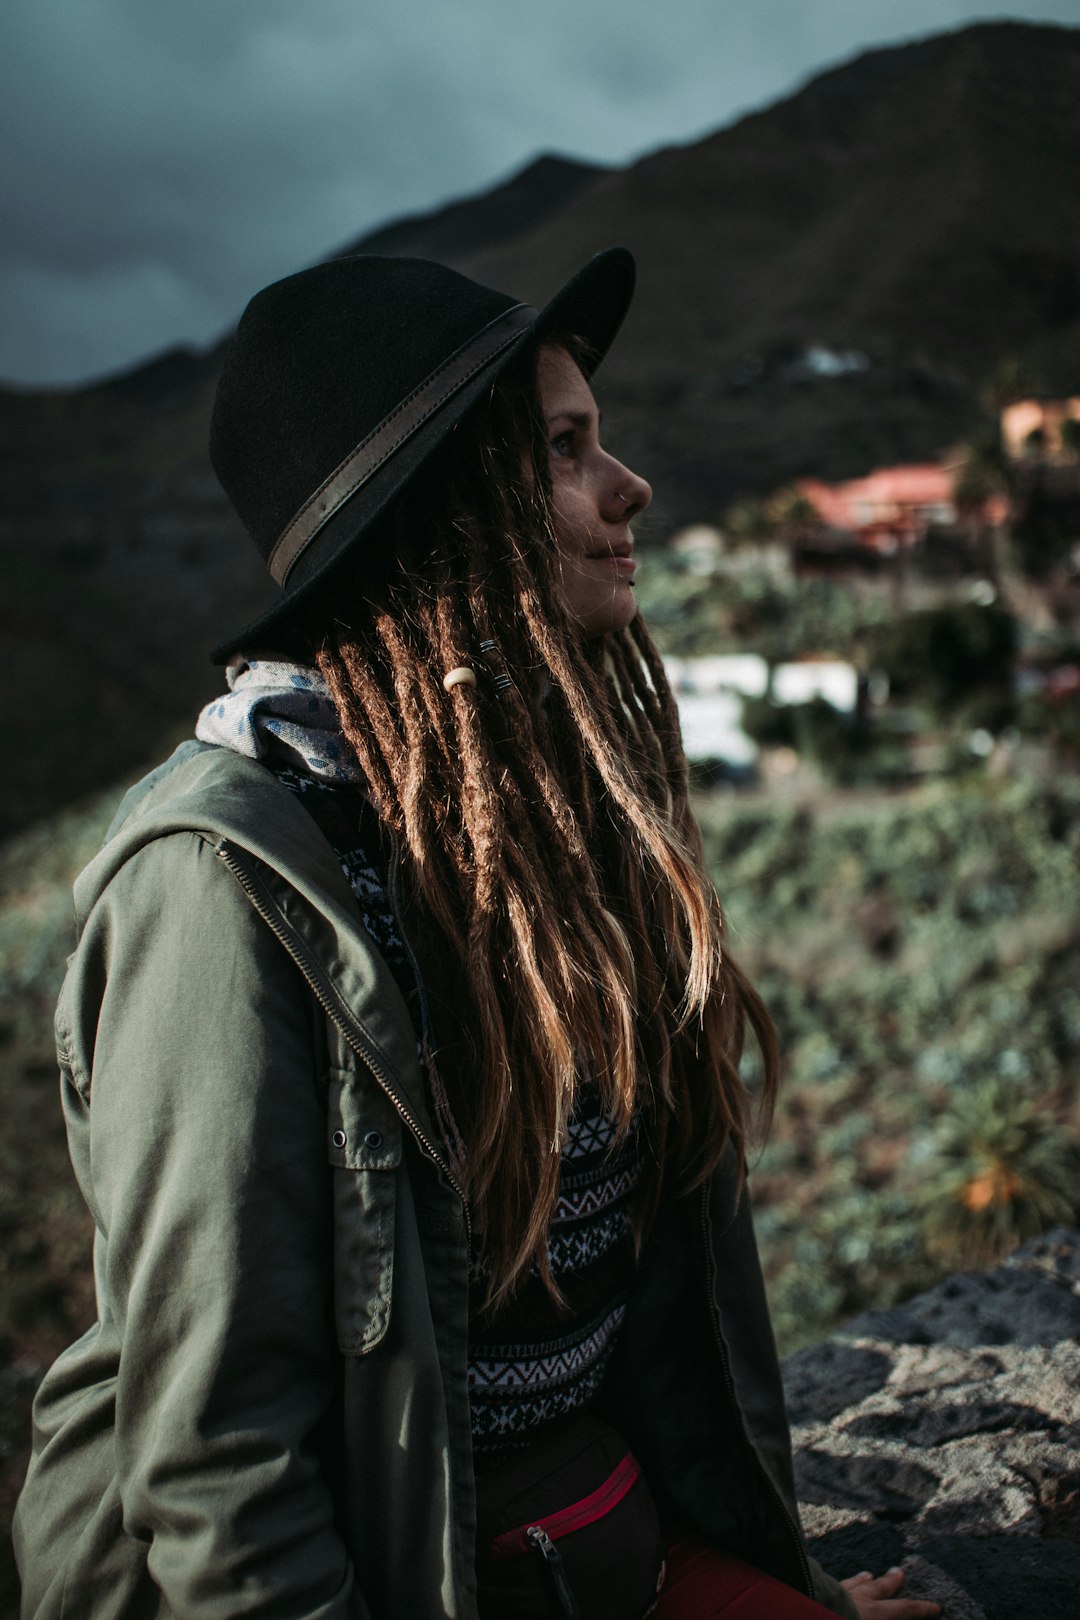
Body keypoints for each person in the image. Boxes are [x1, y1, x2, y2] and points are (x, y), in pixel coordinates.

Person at [14, 249, 940, 1620]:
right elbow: (220, 1467)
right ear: (437, 514)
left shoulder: (543, 818)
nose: (626, 487)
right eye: (567, 448)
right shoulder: (222, 887)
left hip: (553, 1551)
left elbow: (663, 1320)